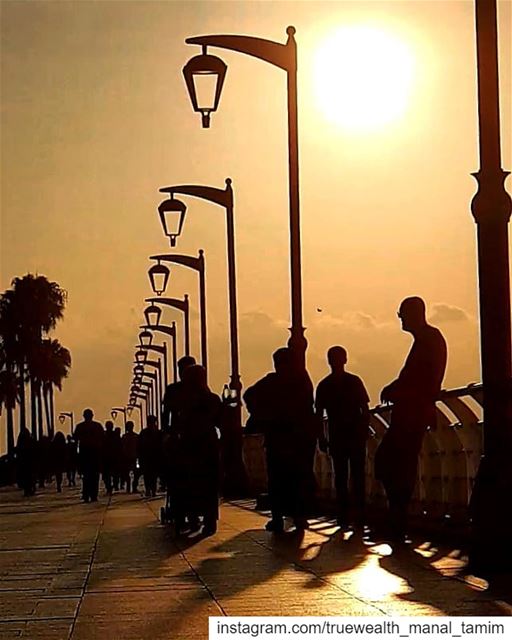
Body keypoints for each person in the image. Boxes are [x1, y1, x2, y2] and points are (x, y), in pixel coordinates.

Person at [375, 296, 447, 543]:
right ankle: (397, 518)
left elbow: (424, 380)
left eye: (402, 314)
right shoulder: (427, 340)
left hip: (412, 413)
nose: (400, 319)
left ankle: (398, 519)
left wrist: (398, 390)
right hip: (411, 412)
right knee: (394, 464)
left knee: (392, 464)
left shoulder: (429, 340)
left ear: (414, 314)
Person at [244, 347, 317, 532]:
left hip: (280, 438)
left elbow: (248, 395)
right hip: (299, 439)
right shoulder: (302, 380)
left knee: (278, 479)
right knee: (298, 478)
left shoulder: (272, 381)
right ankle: (299, 516)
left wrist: (261, 414)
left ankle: (279, 518)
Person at [315, 346, 370, 530]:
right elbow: (365, 409)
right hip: (353, 435)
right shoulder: (354, 381)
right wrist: (363, 430)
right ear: (345, 359)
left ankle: (344, 515)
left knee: (341, 476)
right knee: (357, 475)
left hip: (338, 435)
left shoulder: (324, 385)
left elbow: (318, 414)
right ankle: (359, 514)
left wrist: (322, 437)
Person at [166, 364, 222, 535]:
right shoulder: (212, 399)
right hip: (208, 445)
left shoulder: (182, 401)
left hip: (188, 447)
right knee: (210, 485)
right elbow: (221, 421)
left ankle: (191, 518)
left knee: (189, 484)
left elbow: (174, 423)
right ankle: (210, 520)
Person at [74, 409, 104, 503]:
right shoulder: (98, 426)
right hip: (95, 453)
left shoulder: (80, 426)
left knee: (86, 476)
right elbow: (103, 439)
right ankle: (93, 495)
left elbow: (75, 439)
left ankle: (86, 494)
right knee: (94, 476)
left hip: (85, 453)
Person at [161, 356, 196, 432]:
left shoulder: (200, 390)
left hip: (196, 433)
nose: (181, 373)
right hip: (178, 433)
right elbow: (166, 414)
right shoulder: (172, 389)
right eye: (180, 370)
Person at [138, 415, 161, 497]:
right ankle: (150, 490)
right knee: (150, 475)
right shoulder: (157, 433)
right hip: (150, 457)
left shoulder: (145, 433)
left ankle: (151, 490)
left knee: (150, 475)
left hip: (151, 457)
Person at [16, 428, 36, 497]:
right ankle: (30, 489)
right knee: (30, 477)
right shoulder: (30, 441)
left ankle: (26, 490)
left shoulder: (20, 442)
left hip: (23, 463)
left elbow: (18, 451)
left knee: (25, 477)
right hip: (29, 463)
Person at [121, 421, 139, 493]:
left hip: (133, 457)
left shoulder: (135, 436)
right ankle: (131, 486)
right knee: (129, 473)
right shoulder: (126, 437)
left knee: (135, 473)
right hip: (128, 457)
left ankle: (133, 486)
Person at [102, 421, 116, 495]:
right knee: (107, 475)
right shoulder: (104, 435)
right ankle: (109, 486)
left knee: (110, 474)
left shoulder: (113, 435)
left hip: (110, 457)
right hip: (107, 457)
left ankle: (110, 486)